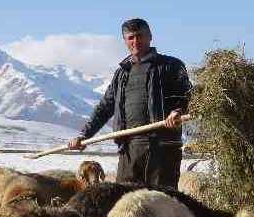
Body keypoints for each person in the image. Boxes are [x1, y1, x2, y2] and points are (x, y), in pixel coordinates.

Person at [68, 18, 191, 188]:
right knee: (125, 200)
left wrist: (178, 110)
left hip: (163, 147)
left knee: (162, 201)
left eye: (140, 36)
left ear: (150, 36)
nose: (136, 41)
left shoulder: (171, 66)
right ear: (125, 41)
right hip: (129, 148)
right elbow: (105, 107)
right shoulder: (121, 73)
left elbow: (188, 94)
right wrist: (84, 135)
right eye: (130, 37)